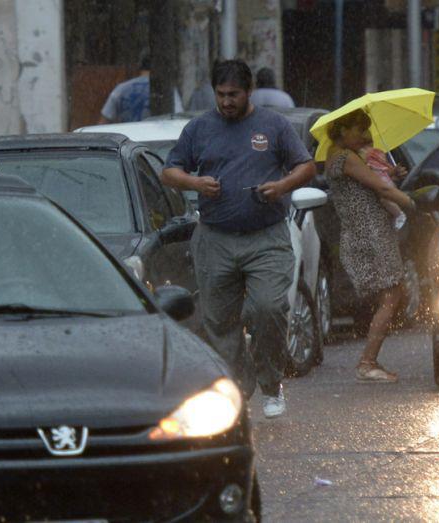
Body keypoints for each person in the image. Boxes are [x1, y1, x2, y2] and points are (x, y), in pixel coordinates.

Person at [160, 60, 316, 418]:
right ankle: (238, 384)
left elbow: (307, 167)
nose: (227, 101)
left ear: (249, 92)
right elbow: (169, 171)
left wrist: (281, 186)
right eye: (221, 94)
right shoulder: (199, 128)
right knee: (219, 321)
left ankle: (271, 382)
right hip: (215, 237)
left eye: (234, 95)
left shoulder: (274, 125)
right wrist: (196, 183)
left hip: (267, 237)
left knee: (269, 308)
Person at [324, 109, 415, 382]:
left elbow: (375, 184)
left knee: (391, 294)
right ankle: (368, 362)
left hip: (369, 233)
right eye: (358, 130)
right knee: (392, 294)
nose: (365, 136)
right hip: (369, 235)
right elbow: (383, 190)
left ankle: (370, 359)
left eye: (366, 130)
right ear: (341, 131)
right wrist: (410, 202)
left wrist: (390, 174)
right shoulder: (344, 158)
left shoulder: (346, 156)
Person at [98, 54, 182, 124]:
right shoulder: (167, 90)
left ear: (140, 66)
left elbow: (103, 121)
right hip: (156, 140)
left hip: (127, 140)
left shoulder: (121, 89)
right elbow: (179, 118)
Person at [357, 141, 407, 227]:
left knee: (385, 199)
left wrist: (394, 173)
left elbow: (384, 171)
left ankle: (399, 215)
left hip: (384, 187)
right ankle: (399, 215)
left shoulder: (373, 159)